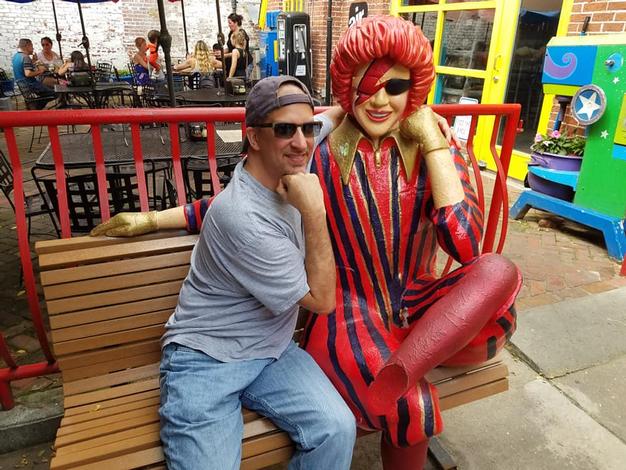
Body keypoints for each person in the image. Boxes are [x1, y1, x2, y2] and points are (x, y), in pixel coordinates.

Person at [93, 76, 356, 469]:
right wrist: (314, 210)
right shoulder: (242, 217)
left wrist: (406, 109)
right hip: (207, 359)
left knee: (337, 429)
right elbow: (322, 300)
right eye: (286, 129)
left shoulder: (290, 152)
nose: (302, 142)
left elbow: (336, 114)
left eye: (308, 128)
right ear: (253, 138)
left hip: (270, 351)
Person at [224, 12, 252, 77]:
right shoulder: (231, 33)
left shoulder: (242, 33)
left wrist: (226, 55)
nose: (228, 25)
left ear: (236, 23)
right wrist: (222, 52)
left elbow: (241, 52)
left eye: (230, 23)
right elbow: (230, 48)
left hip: (243, 64)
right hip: (236, 63)